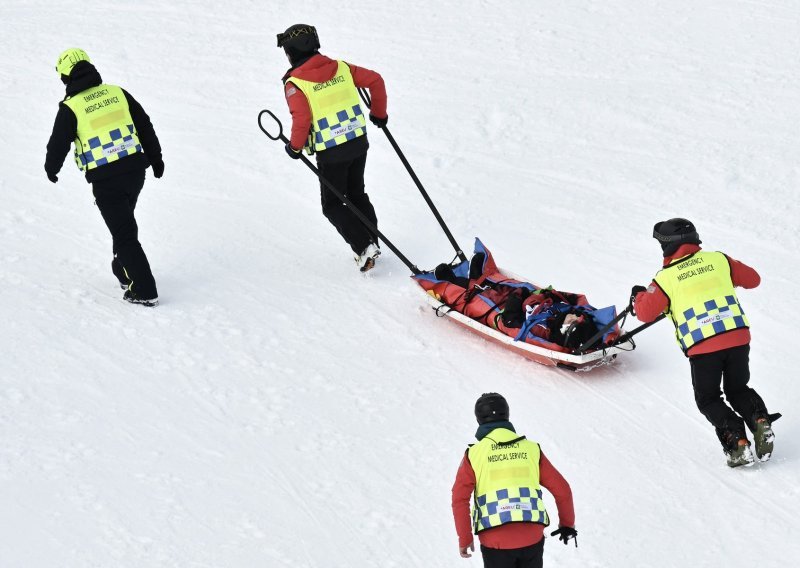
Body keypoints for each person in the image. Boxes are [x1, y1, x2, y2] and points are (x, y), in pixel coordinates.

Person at [631, 218, 778, 467]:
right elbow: (753, 279)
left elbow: (645, 313)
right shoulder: (719, 259)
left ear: (666, 246)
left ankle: (738, 442)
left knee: (708, 399)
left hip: (703, 346)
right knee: (738, 389)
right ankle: (759, 419)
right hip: (737, 336)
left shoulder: (665, 278)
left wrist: (640, 296)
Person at [45, 48, 163, 307]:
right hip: (135, 172)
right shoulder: (117, 93)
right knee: (124, 225)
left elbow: (58, 143)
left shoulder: (71, 107)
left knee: (123, 233)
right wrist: (156, 158)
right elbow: (144, 124)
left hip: (106, 179)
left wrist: (51, 168)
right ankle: (123, 269)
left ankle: (144, 289)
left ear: (66, 78)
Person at [278, 24, 388, 272]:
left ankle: (364, 247)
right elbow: (376, 80)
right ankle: (372, 242)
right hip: (358, 142)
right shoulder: (342, 68)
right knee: (357, 193)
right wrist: (379, 113)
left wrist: (294, 147)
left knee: (333, 204)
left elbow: (302, 119)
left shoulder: (295, 83)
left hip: (331, 152)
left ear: (291, 52)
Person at [452, 393, 577, 568]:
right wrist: (567, 524)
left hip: (494, 539)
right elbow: (563, 490)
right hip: (531, 535)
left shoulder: (474, 455)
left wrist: (465, 538)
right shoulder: (531, 450)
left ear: (479, 419)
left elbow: (459, 499)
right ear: (507, 415)